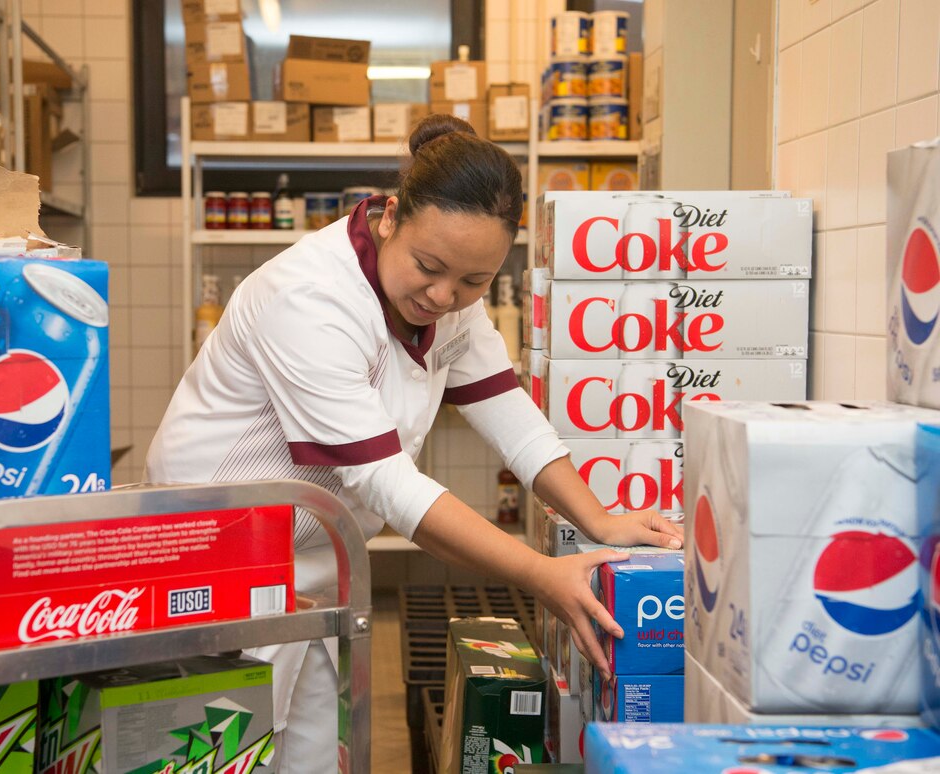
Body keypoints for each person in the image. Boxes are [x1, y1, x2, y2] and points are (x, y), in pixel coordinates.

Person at [145, 114, 683, 772]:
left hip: (312, 562)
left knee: (309, 756)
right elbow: (389, 485)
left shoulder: (449, 294)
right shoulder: (311, 300)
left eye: (472, 281)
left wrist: (596, 518)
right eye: (429, 268)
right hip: (213, 561)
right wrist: (541, 575)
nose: (443, 295)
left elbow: (507, 408)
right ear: (392, 215)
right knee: (214, 758)